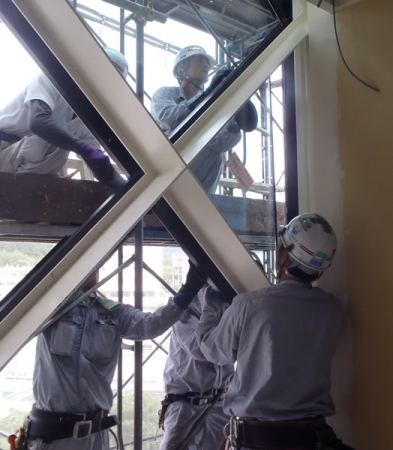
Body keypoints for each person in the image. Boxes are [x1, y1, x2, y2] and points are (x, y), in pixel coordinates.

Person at [197, 213, 354, 450]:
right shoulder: (332, 310)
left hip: (257, 440)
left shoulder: (248, 305)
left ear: (284, 256)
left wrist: (209, 312)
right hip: (312, 440)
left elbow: (213, 352)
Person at [21, 260, 207, 450]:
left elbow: (152, 325)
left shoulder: (113, 314)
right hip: (52, 436)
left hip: (94, 436)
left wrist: (188, 290)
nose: (91, 271)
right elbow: (24, 307)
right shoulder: (51, 309)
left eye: (95, 266)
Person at [0, 47, 127, 189]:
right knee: (57, 140)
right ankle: (26, 188)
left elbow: (99, 165)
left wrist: (126, 186)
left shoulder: (88, 118)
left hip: (20, 165)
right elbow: (38, 122)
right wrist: (84, 149)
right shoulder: (53, 79)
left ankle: (26, 190)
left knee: (62, 143)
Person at [151, 45, 243, 194]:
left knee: (215, 150)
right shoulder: (164, 94)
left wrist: (236, 118)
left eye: (207, 62)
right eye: (200, 60)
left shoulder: (212, 106)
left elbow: (223, 143)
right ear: (181, 67)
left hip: (199, 187)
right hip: (168, 176)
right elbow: (169, 118)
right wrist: (206, 95)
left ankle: (202, 200)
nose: (206, 65)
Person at [158, 288, 234, 450]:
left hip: (219, 402)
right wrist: (209, 313)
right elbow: (199, 350)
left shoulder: (232, 303)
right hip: (185, 404)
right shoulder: (185, 305)